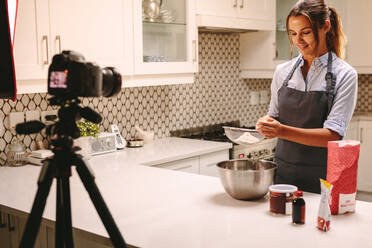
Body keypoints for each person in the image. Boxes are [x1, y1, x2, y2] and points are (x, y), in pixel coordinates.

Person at [256, 0, 357, 193]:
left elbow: (333, 135)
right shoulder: (282, 72)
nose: (298, 40)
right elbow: (274, 116)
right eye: (293, 34)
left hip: (323, 180)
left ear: (325, 26)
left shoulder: (345, 75)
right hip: (283, 176)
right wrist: (267, 124)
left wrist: (280, 131)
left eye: (305, 32)